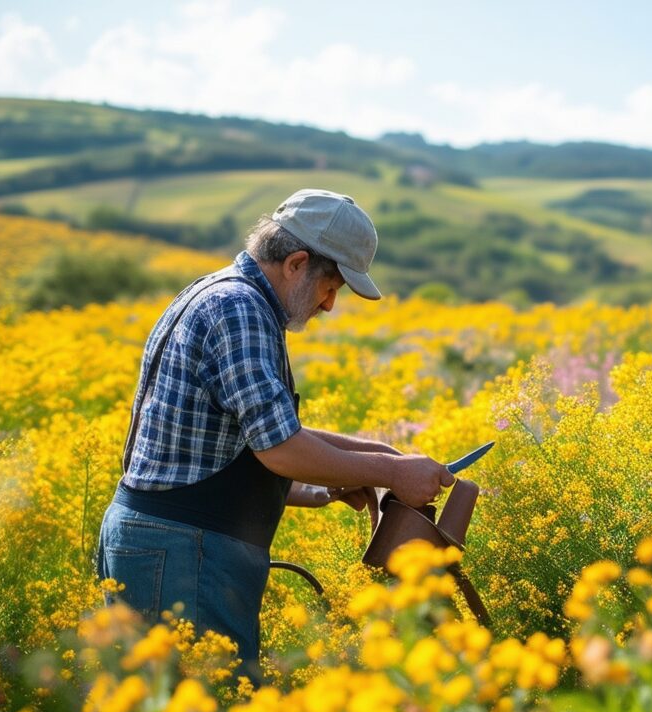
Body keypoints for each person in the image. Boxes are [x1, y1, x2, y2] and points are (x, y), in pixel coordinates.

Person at [95, 188, 453, 683]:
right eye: (332, 287)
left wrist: (365, 462)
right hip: (181, 549)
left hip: (174, 545)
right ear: (297, 263)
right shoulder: (238, 309)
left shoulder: (223, 295)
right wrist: (391, 471)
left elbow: (248, 436)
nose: (330, 305)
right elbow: (281, 447)